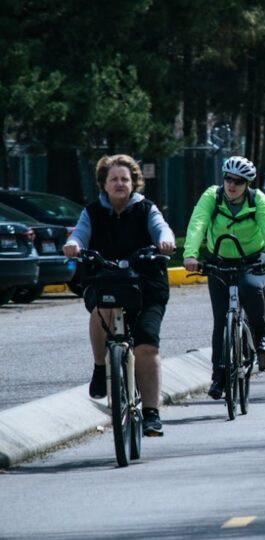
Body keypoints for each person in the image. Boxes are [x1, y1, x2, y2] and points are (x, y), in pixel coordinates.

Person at [63, 154, 175, 436]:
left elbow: (162, 228)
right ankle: (101, 367)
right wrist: (73, 245)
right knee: (103, 307)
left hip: (146, 285)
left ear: (134, 182)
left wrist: (166, 241)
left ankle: (151, 413)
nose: (120, 184)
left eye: (125, 179)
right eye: (114, 179)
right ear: (104, 183)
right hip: (105, 280)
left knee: (146, 346)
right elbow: (79, 234)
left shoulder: (146, 209)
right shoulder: (92, 211)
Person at [183, 156, 265, 400]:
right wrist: (190, 254)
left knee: (250, 288)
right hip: (219, 262)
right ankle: (218, 377)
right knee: (220, 321)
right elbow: (198, 223)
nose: (232, 185)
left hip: (252, 260)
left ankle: (261, 335)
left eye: (238, 181)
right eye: (228, 179)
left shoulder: (258, 200)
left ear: (247, 183)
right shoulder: (212, 197)